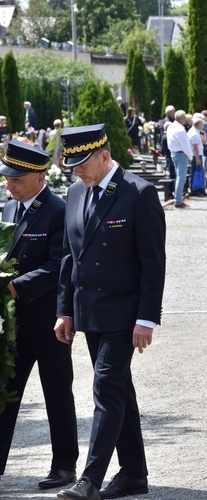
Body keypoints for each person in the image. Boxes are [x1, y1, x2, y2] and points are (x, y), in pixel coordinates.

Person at [55, 124, 166, 500]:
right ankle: (134, 473)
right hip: (90, 312)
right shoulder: (74, 192)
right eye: (72, 165)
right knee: (119, 389)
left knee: (105, 386)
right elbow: (70, 258)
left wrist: (147, 318)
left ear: (105, 156)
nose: (77, 171)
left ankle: (89, 480)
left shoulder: (139, 192)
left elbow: (153, 262)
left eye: (83, 163)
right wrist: (65, 310)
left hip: (125, 312)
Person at [0, 140, 78, 490]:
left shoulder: (59, 210)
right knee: (5, 393)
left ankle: (64, 466)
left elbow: (61, 263)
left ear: (39, 176)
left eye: (16, 179)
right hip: (14, 323)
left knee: (57, 393)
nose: (8, 185)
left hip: (48, 320)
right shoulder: (10, 208)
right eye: (6, 178)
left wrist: (16, 287)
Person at [166, 110, 192, 209]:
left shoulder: (171, 126)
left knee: (179, 177)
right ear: (182, 118)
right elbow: (185, 145)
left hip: (174, 153)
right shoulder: (181, 129)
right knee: (181, 178)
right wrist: (190, 156)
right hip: (181, 154)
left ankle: (178, 199)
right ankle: (178, 201)